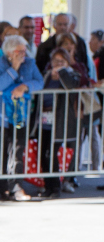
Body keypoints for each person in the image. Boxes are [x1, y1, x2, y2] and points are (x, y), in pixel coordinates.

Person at [0, 33, 44, 200]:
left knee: (17, 150)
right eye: (19, 51)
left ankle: (16, 185)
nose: (23, 54)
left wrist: (24, 86)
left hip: (20, 114)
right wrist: (13, 69)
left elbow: (39, 82)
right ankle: (0, 186)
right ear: (9, 52)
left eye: (24, 50)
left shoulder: (30, 63)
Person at [37, 47, 85, 196]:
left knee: (51, 154)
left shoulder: (72, 74)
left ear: (67, 61)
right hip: (44, 119)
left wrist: (62, 71)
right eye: (55, 61)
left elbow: (71, 86)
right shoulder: (46, 75)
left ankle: (55, 187)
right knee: (43, 154)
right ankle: (48, 186)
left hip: (59, 120)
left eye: (61, 61)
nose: (58, 64)